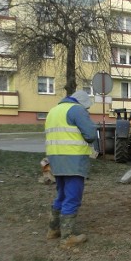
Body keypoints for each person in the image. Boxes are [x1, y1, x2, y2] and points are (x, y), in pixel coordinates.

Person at [45, 90, 98, 246]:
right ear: (81, 103)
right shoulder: (77, 110)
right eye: (87, 108)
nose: (86, 111)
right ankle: (67, 237)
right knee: (73, 196)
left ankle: (53, 229)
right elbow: (90, 134)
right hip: (73, 160)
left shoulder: (53, 111)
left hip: (56, 159)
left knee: (61, 194)